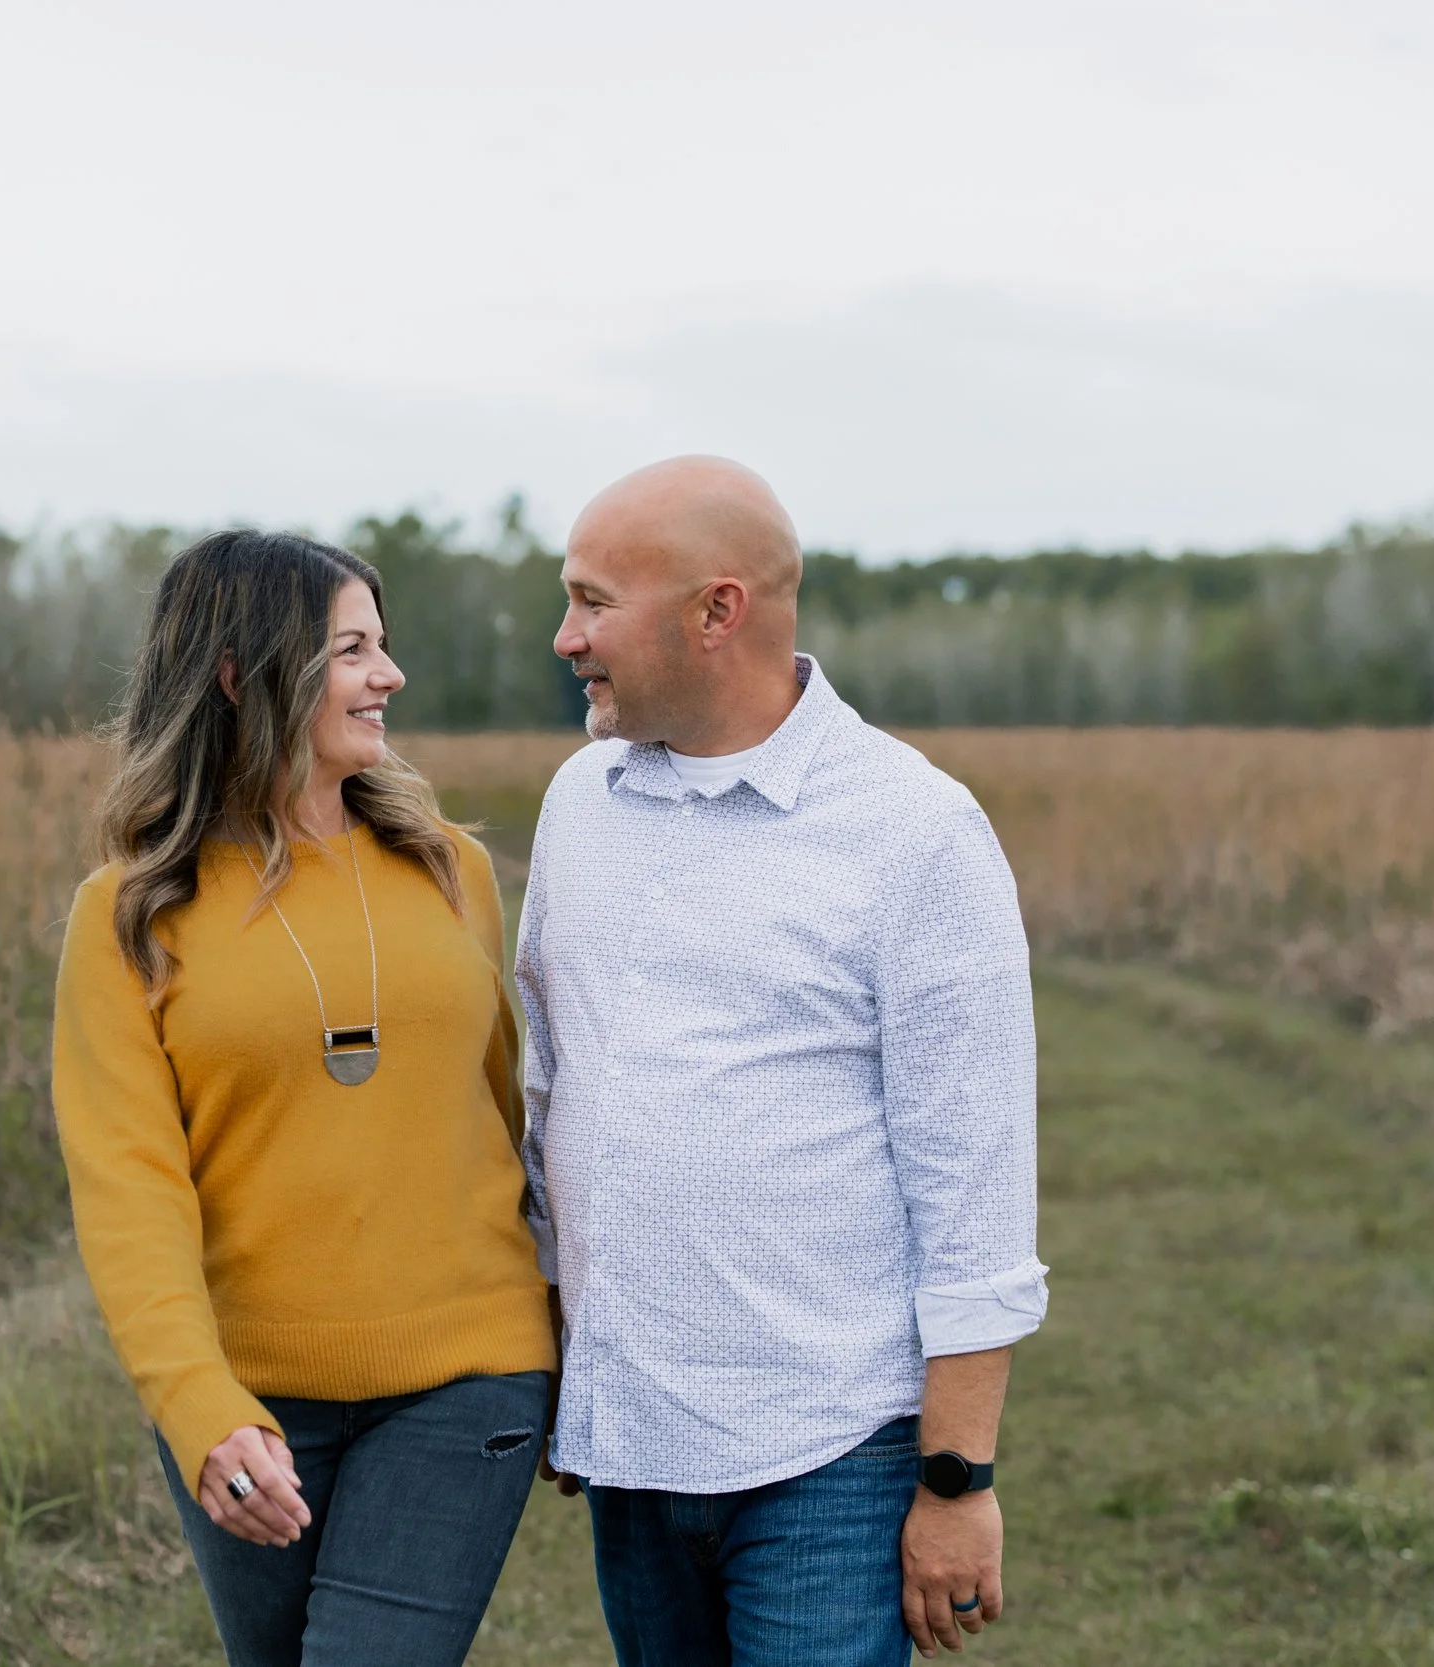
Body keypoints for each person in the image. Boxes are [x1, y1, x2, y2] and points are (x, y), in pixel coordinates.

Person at [516, 458, 1048, 1666]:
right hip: (631, 1437)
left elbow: (974, 1184)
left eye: (593, 601)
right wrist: (556, 1353)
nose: (566, 637)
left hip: (827, 1449)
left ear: (717, 611)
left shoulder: (913, 831)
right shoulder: (579, 803)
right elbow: (552, 1089)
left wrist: (957, 1479)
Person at [52, 529, 557, 1667]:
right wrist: (197, 1404)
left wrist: (579, 1333)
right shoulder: (128, 913)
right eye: (352, 649)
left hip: (466, 1371)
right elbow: (129, 1186)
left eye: (384, 645)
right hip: (246, 1402)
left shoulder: (450, 871)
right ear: (239, 672)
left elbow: (514, 1121)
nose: (390, 676)